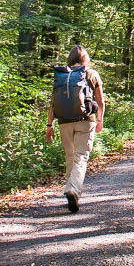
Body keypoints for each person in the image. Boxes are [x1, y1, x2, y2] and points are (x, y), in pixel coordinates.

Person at [45, 44, 105, 213]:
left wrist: (49, 125)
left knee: (70, 157)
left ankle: (71, 188)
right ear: (85, 58)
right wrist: (100, 120)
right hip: (86, 120)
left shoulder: (62, 75)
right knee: (81, 157)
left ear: (70, 59)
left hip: (64, 121)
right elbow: (100, 101)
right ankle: (73, 190)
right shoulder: (91, 74)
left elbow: (53, 103)